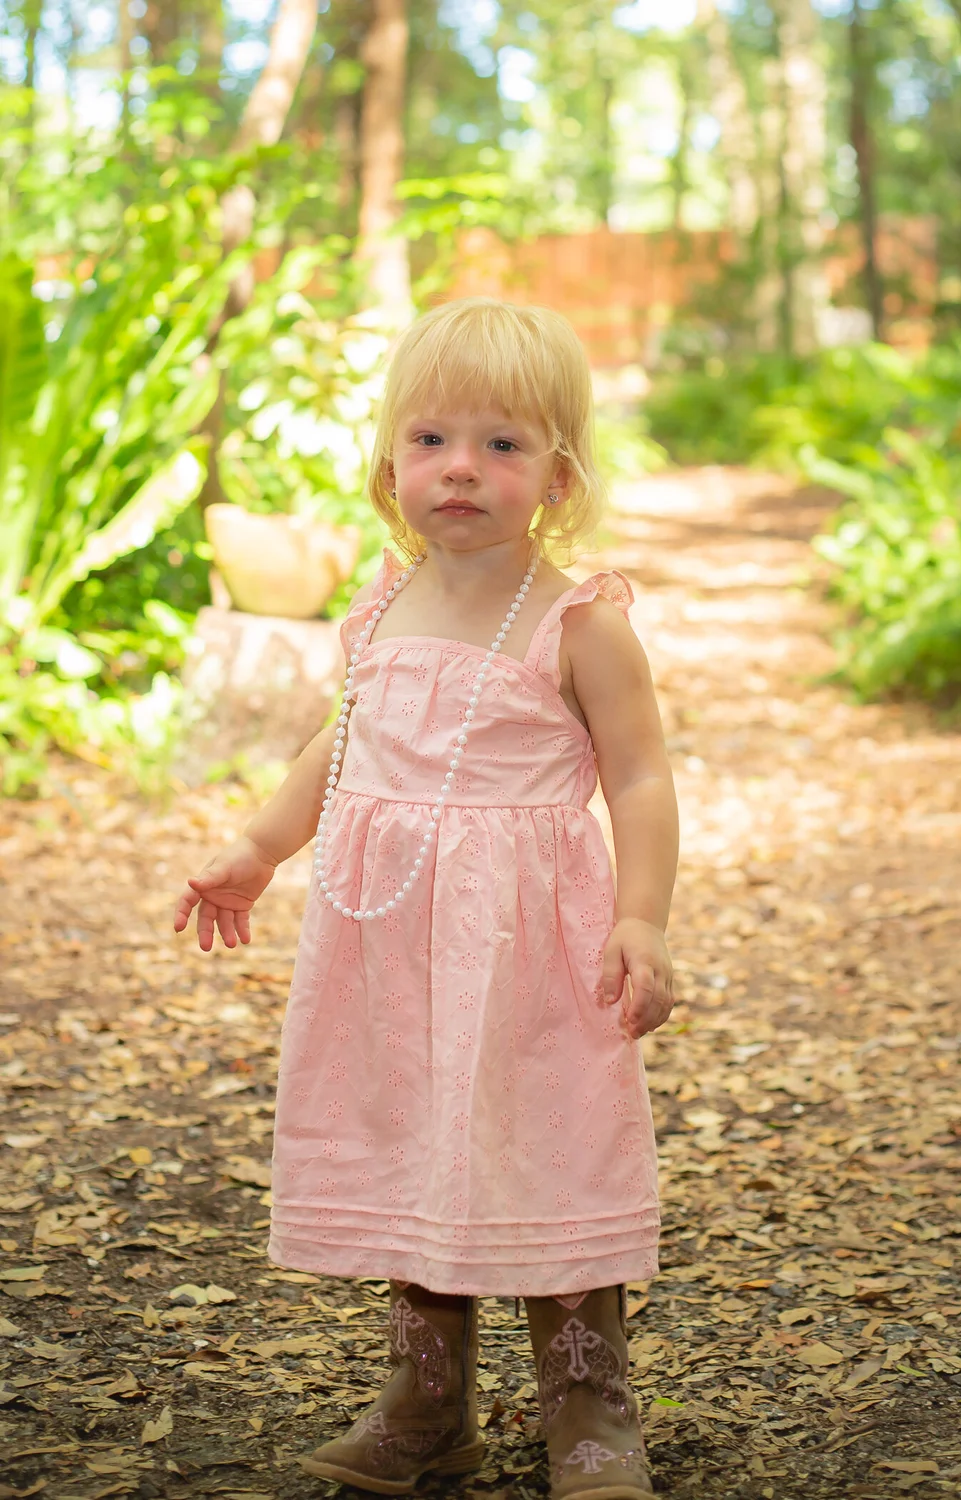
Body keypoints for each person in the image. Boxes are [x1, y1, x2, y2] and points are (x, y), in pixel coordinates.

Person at [174, 298, 679, 1500]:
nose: (460, 468)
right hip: (393, 948)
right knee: (417, 1142)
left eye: (501, 445)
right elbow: (344, 742)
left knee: (547, 1142)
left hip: (527, 948)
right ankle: (425, 1403)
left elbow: (641, 775)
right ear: (389, 461)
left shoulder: (578, 620)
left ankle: (588, 1404)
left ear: (558, 476)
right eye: (431, 439)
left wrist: (642, 918)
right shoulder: (383, 604)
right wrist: (259, 847)